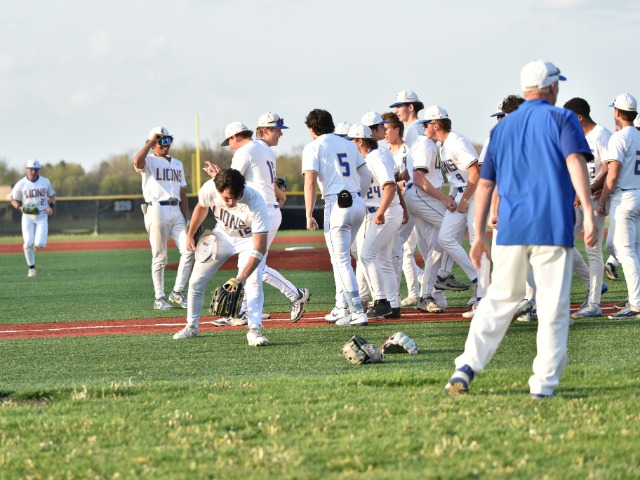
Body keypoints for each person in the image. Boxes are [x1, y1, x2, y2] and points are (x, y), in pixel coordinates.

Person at [444, 59, 596, 399]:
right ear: (552, 87)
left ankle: (466, 367)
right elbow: (575, 162)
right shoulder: (562, 118)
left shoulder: (502, 128)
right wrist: (588, 211)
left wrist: (478, 234)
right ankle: (542, 386)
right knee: (552, 308)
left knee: (498, 299)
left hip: (511, 228)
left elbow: (485, 185)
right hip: (551, 226)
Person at [209, 116, 310, 324]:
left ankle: (296, 295)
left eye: (229, 141)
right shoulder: (266, 151)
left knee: (254, 265)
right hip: (266, 211)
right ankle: (243, 310)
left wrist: (216, 177)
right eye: (277, 130)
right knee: (248, 264)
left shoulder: (244, 152)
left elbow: (232, 186)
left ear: (236, 137)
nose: (230, 146)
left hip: (260, 213)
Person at [173, 168, 270, 346]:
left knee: (253, 281)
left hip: (249, 240)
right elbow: (201, 207)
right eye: (227, 198)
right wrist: (190, 235)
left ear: (242, 189)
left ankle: (255, 330)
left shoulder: (255, 201)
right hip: (223, 235)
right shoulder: (209, 189)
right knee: (196, 281)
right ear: (218, 190)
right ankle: (191, 326)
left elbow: (260, 247)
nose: (231, 202)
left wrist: (241, 278)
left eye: (236, 196)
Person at [302, 108, 370, 326]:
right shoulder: (349, 144)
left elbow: (310, 183)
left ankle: (357, 311)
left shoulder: (313, 146)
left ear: (312, 128)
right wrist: (358, 196)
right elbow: (366, 174)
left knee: (341, 261)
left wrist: (308, 213)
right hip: (356, 202)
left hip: (337, 204)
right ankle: (341, 307)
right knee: (340, 259)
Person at [423, 105, 483, 313]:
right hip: (461, 193)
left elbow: (475, 173)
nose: (424, 127)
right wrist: (451, 195)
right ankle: (478, 280)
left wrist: (465, 199)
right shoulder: (444, 145)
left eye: (426, 123)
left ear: (436, 125)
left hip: (475, 195)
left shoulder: (457, 142)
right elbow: (458, 178)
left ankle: (483, 293)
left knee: (475, 242)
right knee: (445, 238)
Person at [133, 126, 194, 310]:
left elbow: (182, 193)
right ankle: (159, 298)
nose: (165, 144)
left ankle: (177, 292)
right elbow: (137, 161)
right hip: (156, 209)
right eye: (161, 141)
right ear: (152, 143)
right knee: (160, 257)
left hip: (176, 210)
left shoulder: (178, 164)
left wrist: (189, 218)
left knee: (189, 250)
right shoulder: (148, 161)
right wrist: (152, 141)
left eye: (168, 140)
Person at [563, 97, 613, 318]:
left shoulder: (602, 135)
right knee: (563, 242)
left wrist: (591, 188)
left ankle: (594, 303)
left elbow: (610, 168)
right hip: (577, 197)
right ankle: (594, 285)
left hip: (593, 198)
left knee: (593, 248)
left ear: (579, 117)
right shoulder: (576, 137)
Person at [349, 123, 403, 318]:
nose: (349, 144)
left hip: (384, 212)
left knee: (366, 255)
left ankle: (381, 301)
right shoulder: (369, 157)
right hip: (385, 211)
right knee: (384, 261)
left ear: (360, 141)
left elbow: (390, 186)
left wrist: (380, 212)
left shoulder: (376, 156)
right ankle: (393, 306)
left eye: (351, 141)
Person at [596, 93, 640, 319]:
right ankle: (636, 296)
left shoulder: (619, 138)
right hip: (637, 194)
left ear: (617, 112)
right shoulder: (638, 135)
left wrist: (602, 200)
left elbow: (612, 177)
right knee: (623, 248)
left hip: (624, 198)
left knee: (626, 251)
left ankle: (636, 304)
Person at [10, 159, 56, 278]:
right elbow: (13, 199)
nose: (33, 172)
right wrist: (20, 207)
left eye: (36, 170)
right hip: (27, 216)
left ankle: (36, 246)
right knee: (27, 243)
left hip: (42, 215)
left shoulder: (45, 181)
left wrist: (51, 206)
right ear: (27, 169)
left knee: (40, 243)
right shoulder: (21, 184)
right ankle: (32, 268)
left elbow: (52, 195)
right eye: (31, 169)